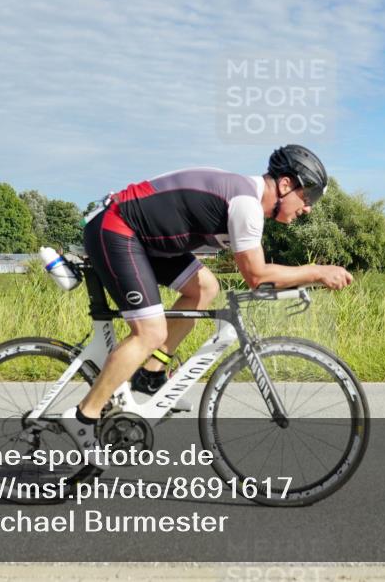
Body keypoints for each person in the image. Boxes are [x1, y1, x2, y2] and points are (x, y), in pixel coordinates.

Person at [65, 145, 353, 464]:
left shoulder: (246, 198)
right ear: (286, 185)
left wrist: (307, 278)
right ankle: (83, 418)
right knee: (149, 331)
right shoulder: (246, 204)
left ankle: (151, 374)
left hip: (148, 240)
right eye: (308, 196)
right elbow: (256, 276)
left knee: (205, 288)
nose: (309, 208)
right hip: (117, 228)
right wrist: (316, 272)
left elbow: (257, 274)